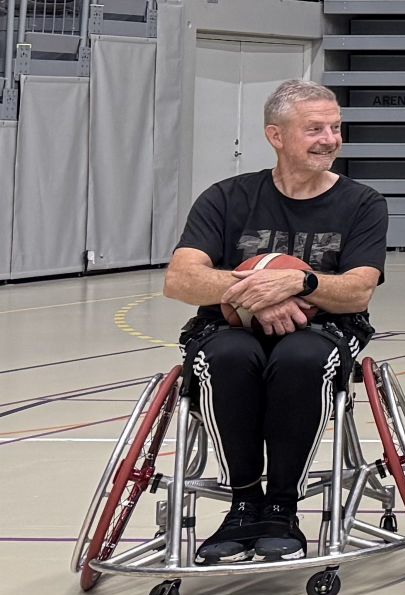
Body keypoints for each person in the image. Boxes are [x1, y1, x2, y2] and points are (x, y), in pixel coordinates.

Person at [162, 79, 390, 565]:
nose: (330, 138)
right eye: (314, 128)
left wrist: (299, 283)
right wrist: (259, 293)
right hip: (230, 328)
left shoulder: (363, 203)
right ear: (276, 135)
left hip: (324, 330)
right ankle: (243, 503)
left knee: (301, 359)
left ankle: (282, 504)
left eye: (335, 127)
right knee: (227, 355)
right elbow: (180, 280)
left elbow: (359, 289)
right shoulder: (226, 198)